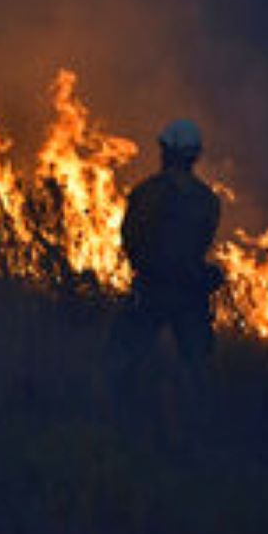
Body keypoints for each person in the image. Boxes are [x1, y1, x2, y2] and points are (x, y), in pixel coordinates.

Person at [114, 119, 222, 369]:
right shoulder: (208, 199)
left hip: (153, 287)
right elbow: (205, 240)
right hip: (191, 290)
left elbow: (130, 237)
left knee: (124, 358)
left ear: (167, 151)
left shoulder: (147, 192)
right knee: (195, 366)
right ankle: (193, 407)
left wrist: (146, 268)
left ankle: (130, 405)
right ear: (194, 156)